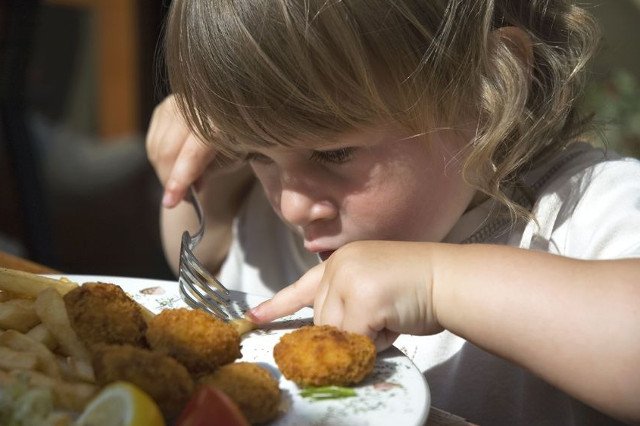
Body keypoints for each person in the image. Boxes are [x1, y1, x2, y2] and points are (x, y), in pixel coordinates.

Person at [146, 1, 640, 424]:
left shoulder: (581, 212)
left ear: (486, 84)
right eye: (256, 155)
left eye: (334, 154)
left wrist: (435, 284)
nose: (292, 206)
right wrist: (205, 183)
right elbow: (203, 256)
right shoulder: (287, 206)